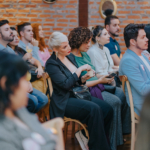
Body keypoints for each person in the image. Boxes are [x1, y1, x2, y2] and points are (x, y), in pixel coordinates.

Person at [46, 31, 113, 150]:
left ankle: (92, 141)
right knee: (94, 109)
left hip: (79, 94)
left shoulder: (69, 56)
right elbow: (65, 85)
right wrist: (80, 69)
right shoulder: (51, 64)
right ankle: (99, 147)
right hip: (64, 99)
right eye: (64, 46)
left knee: (107, 109)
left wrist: (83, 78)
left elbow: (76, 81)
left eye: (68, 44)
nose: (69, 48)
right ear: (55, 50)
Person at [68, 27, 131, 150]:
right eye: (86, 42)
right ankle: (111, 142)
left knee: (122, 94)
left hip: (97, 84)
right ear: (78, 41)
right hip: (86, 89)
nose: (88, 44)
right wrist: (100, 80)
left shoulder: (85, 54)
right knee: (115, 101)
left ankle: (117, 137)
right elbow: (81, 84)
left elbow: (94, 73)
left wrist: (104, 77)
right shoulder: (71, 59)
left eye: (89, 41)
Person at [0, 51, 56, 150]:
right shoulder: (3, 136)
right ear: (6, 84)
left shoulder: (21, 112)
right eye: (23, 80)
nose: (27, 85)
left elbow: (49, 141)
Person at [0, 20, 48, 114]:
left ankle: (21, 121)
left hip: (21, 82)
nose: (11, 31)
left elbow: (18, 70)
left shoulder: (9, 49)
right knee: (33, 101)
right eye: (7, 29)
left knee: (43, 99)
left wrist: (26, 81)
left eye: (10, 28)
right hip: (9, 88)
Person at [119, 23, 149, 116]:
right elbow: (143, 90)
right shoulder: (128, 60)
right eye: (143, 37)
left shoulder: (143, 55)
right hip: (144, 105)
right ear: (133, 41)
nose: (147, 39)